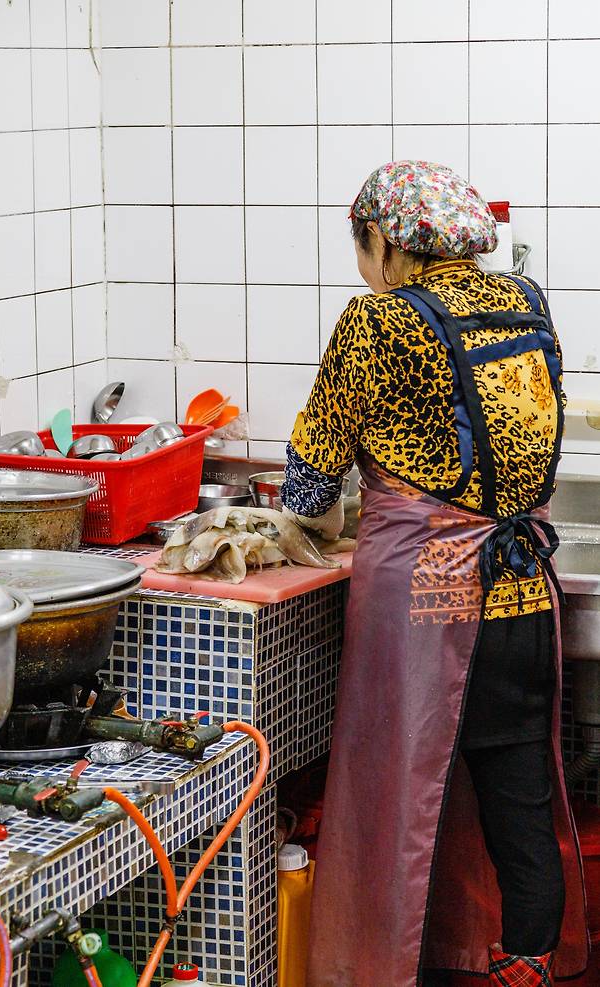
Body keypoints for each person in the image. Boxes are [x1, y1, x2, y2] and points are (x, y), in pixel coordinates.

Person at [281, 161, 589, 987]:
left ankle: (380, 969)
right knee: (519, 794)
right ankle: (525, 964)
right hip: (522, 591)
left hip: (426, 606)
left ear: (385, 243)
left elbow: (308, 486)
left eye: (360, 246)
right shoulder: (525, 302)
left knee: (394, 799)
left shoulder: (377, 321)